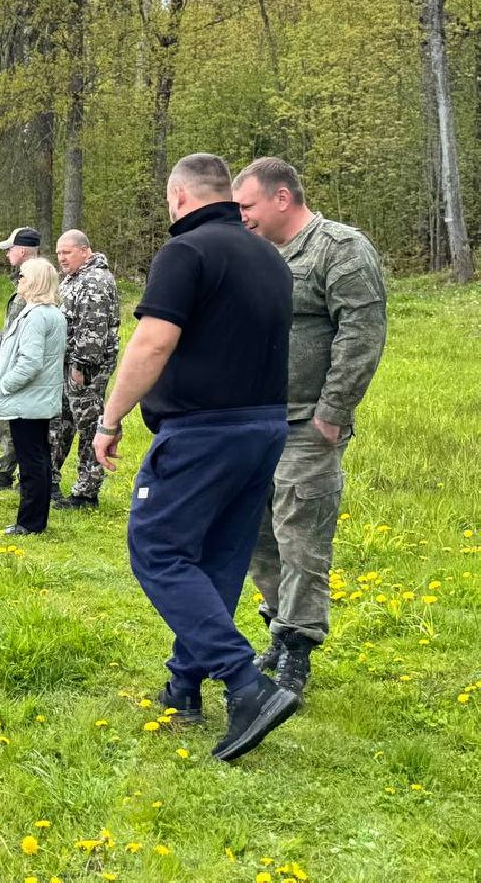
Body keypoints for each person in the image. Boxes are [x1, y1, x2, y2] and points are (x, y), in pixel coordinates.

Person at [93, 154, 297, 763]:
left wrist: (110, 419)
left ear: (178, 196)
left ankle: (246, 685)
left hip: (202, 430)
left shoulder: (187, 253)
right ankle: (184, 689)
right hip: (263, 426)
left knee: (157, 548)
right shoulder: (268, 257)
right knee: (219, 559)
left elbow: (154, 339)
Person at [233, 157, 387, 699]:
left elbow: (362, 332)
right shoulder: (255, 253)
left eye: (247, 205)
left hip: (305, 424)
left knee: (301, 537)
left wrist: (332, 412)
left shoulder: (338, 249)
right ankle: (276, 626)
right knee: (258, 535)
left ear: (281, 197)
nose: (241, 216)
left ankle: (297, 650)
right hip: (254, 423)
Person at [0, 257, 67, 536]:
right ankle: (35, 520)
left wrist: (5, 386)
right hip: (37, 400)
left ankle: (29, 523)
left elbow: (30, 363)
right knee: (40, 458)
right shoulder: (51, 313)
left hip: (27, 401)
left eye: (22, 276)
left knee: (32, 462)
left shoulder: (36, 316)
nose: (18, 281)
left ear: (34, 282)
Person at [49, 230, 120, 509]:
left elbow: (92, 332)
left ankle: (85, 493)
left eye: (67, 252)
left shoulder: (95, 280)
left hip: (85, 370)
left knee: (89, 427)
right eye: (58, 253)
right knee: (60, 422)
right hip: (67, 366)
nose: (62, 258)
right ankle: (49, 480)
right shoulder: (73, 278)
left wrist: (81, 367)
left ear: (85, 251)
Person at [0, 226, 41, 493]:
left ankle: (7, 475)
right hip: (15, 363)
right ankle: (9, 474)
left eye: (11, 249)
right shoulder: (25, 280)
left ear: (23, 251)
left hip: (23, 366)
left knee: (13, 421)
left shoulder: (34, 284)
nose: (7, 255)